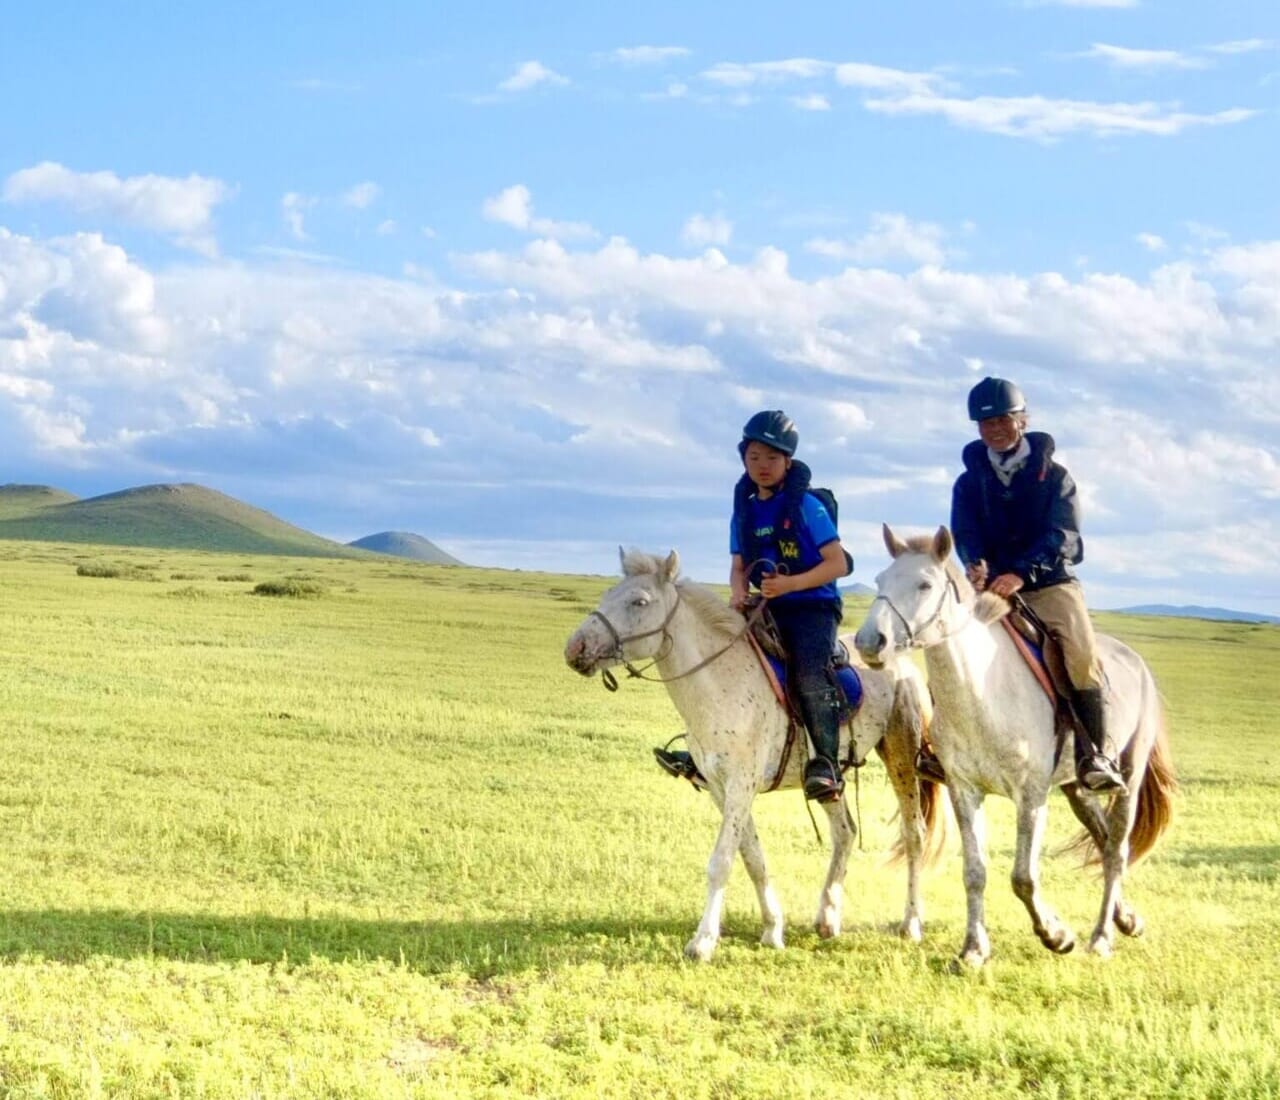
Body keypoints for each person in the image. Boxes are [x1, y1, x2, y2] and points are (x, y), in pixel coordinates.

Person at [915, 377, 1126, 793]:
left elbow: (1063, 535)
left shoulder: (1056, 477)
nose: (994, 429)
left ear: (1022, 420)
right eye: (986, 423)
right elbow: (965, 531)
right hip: (991, 586)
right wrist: (975, 564)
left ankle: (1096, 753)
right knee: (949, 645)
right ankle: (940, 746)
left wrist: (1023, 573)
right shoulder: (968, 482)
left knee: (1080, 653)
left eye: (1003, 420)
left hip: (1049, 583)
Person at [654, 410, 852, 802]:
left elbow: (839, 564)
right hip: (766, 606)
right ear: (744, 458)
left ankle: (826, 764)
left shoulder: (808, 506)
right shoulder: (744, 511)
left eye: (772, 457)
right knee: (722, 663)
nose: (762, 465)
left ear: (788, 462)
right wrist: (738, 593)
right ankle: (706, 754)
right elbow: (738, 567)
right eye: (754, 456)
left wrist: (790, 584)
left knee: (809, 674)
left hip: (813, 607)